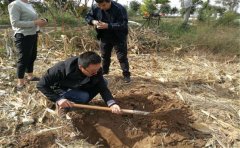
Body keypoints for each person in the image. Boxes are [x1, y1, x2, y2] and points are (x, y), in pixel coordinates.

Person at [37, 51, 122, 117]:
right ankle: (63, 105)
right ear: (81, 67)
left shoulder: (96, 69)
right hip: (61, 89)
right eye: (92, 71)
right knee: (83, 97)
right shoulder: (60, 69)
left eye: (98, 69)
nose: (96, 73)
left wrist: (111, 103)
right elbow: (41, 85)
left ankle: (77, 100)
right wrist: (58, 99)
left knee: (104, 81)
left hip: (79, 85)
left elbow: (102, 86)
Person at [85, 0, 131, 83]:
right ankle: (105, 72)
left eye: (104, 5)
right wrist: (93, 21)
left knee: (122, 57)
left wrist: (108, 26)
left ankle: (126, 75)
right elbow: (88, 17)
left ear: (109, 1)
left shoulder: (119, 8)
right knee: (104, 56)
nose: (101, 8)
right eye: (99, 5)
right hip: (104, 36)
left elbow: (123, 24)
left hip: (118, 36)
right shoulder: (95, 7)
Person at [8, 0, 48, 90]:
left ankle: (30, 76)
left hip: (33, 34)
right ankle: (20, 82)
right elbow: (15, 23)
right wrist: (35, 23)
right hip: (23, 36)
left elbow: (32, 20)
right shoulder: (15, 4)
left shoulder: (29, 4)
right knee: (23, 59)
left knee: (32, 56)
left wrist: (42, 22)